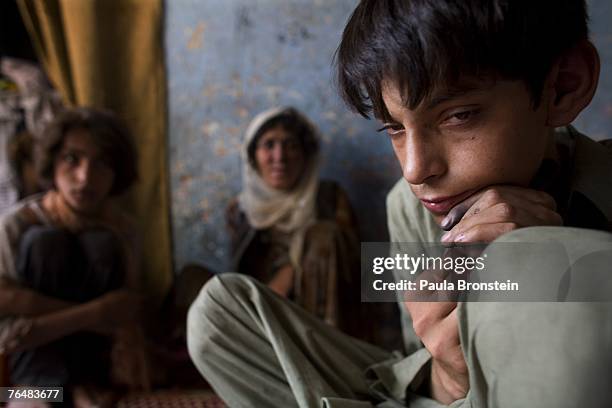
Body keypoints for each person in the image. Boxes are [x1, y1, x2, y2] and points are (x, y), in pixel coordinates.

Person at [187, 1, 612, 407]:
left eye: (458, 115)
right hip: (436, 395)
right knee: (217, 315)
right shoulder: (410, 207)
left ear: (563, 87)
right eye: (393, 128)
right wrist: (448, 375)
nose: (414, 170)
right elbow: (421, 354)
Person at [0, 107, 150, 405]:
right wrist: (97, 313)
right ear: (52, 162)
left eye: (102, 164)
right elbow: (8, 336)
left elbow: (127, 316)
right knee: (44, 242)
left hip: (99, 378)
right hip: (25, 383)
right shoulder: (15, 226)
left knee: (101, 244)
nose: (84, 177)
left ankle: (81, 387)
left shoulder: (123, 231)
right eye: (72, 159)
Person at [226, 106, 362, 335]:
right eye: (268, 145)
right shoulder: (241, 211)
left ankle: (326, 356)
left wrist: (293, 269)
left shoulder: (329, 198)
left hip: (324, 323)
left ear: (306, 155)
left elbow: (357, 269)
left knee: (323, 235)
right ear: (253, 156)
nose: (279, 157)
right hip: (264, 320)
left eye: (290, 145)